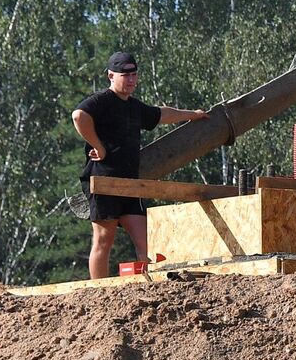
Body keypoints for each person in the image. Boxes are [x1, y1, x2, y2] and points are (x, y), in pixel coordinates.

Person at [71, 51, 210, 279]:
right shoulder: (101, 101)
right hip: (103, 181)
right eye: (125, 76)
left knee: (145, 239)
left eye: (134, 75)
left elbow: (161, 114)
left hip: (129, 184)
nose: (131, 80)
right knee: (104, 240)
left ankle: (147, 283)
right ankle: (97, 293)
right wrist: (98, 145)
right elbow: (79, 116)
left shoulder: (134, 107)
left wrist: (192, 115)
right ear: (110, 76)